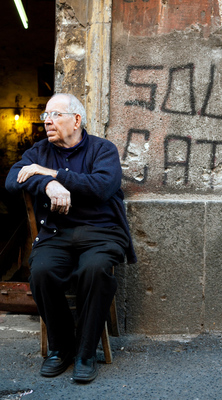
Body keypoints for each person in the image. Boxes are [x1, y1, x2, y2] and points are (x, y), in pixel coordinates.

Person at [5, 93, 137, 383]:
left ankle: (86, 353)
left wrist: (52, 173)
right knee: (41, 271)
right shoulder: (39, 151)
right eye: (45, 116)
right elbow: (13, 178)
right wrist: (48, 184)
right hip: (56, 233)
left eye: (55, 115)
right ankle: (62, 347)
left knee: (95, 270)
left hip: (102, 233)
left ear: (76, 120)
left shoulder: (103, 150)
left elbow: (101, 186)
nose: (47, 122)